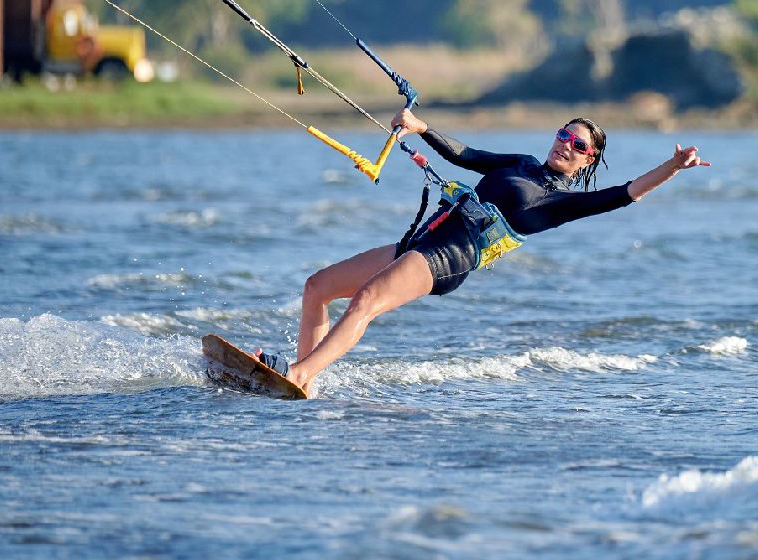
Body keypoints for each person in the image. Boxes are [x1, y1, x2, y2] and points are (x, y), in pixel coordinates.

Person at [256, 108, 709, 394]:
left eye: (576, 144)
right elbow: (465, 155)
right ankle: (304, 383)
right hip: (425, 239)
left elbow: (627, 192)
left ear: (588, 159)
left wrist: (672, 165)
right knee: (317, 287)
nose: (563, 144)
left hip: (451, 258)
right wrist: (421, 127)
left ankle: (297, 372)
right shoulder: (522, 164)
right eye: (561, 134)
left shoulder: (563, 204)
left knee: (366, 302)